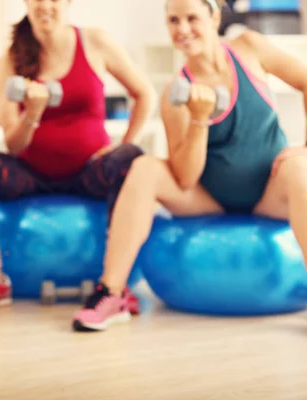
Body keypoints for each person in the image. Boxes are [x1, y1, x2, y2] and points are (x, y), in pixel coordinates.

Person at [74, 0, 307, 332]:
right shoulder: (175, 94)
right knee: (145, 169)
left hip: (269, 192)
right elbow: (185, 177)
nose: (183, 29)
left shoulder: (249, 49)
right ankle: (111, 293)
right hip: (210, 195)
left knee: (300, 172)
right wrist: (199, 119)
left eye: (191, 18)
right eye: (173, 21)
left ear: (214, 17)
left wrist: (305, 148)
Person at [0, 0, 157, 315]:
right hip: (31, 174)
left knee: (132, 157)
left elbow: (145, 93)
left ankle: (115, 284)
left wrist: (122, 144)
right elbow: (13, 144)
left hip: (90, 172)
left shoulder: (95, 42)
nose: (45, 5)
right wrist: (33, 113)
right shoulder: (10, 60)